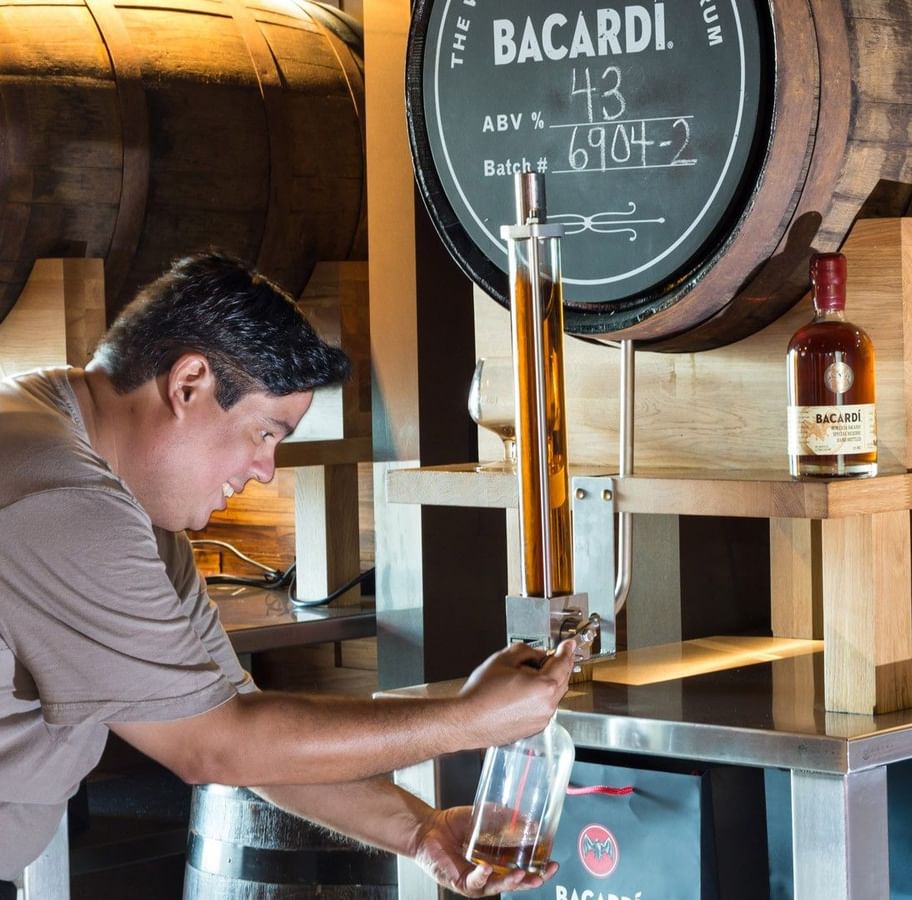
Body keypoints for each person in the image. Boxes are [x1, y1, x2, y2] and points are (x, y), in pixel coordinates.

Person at [0, 252, 573, 897]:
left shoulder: (116, 495)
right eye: (265, 433)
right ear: (189, 382)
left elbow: (240, 726)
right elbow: (210, 746)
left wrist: (421, 832)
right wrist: (471, 722)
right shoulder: (62, 496)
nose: (265, 469)